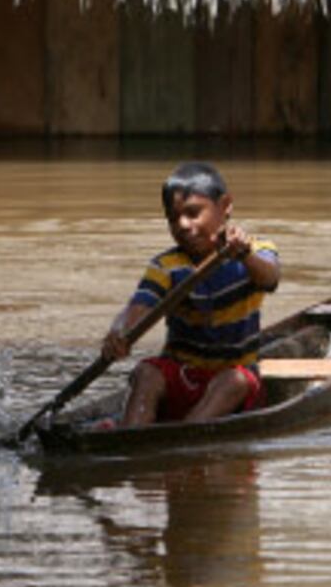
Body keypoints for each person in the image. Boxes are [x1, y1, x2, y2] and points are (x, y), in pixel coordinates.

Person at [101, 162, 280, 426]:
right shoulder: (166, 266)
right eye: (173, 218)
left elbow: (270, 278)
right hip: (183, 376)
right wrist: (119, 332)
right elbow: (139, 307)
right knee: (146, 372)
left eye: (193, 213)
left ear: (225, 206)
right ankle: (129, 435)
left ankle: (186, 432)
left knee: (234, 380)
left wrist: (245, 256)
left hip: (232, 384)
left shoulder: (256, 250)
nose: (183, 225)